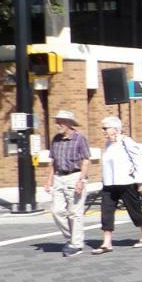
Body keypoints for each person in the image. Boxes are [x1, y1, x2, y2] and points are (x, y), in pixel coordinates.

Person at [93, 116, 142, 253]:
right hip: (109, 184)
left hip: (127, 182)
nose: (103, 131)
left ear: (115, 129)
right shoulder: (108, 145)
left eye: (105, 128)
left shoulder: (127, 142)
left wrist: (140, 183)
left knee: (134, 210)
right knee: (106, 211)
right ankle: (107, 242)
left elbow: (138, 162)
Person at [45, 109, 91, 257]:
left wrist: (81, 180)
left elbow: (85, 159)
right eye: (57, 121)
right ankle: (71, 238)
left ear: (69, 123)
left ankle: (76, 244)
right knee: (56, 211)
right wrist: (48, 181)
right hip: (59, 178)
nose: (57, 124)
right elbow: (53, 162)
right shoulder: (55, 139)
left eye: (61, 122)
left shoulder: (79, 138)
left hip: (74, 176)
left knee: (74, 213)